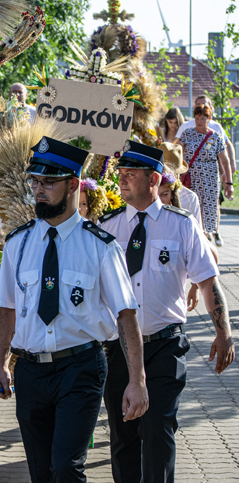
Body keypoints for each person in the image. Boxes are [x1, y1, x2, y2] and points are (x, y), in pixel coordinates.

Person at [0, 136, 149, 483]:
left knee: (65, 467)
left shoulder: (100, 246)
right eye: (35, 181)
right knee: (41, 472)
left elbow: (126, 314)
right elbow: (6, 307)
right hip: (31, 371)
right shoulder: (18, 243)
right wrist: (1, 363)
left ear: (73, 185)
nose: (39, 189)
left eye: (49, 182)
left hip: (81, 367)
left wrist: (137, 381)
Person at [98, 140, 234, 483]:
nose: (123, 180)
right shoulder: (107, 227)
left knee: (158, 431)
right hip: (118, 348)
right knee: (123, 436)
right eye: (121, 174)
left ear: (154, 178)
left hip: (164, 345)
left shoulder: (182, 225)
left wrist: (224, 332)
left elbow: (207, 281)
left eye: (131, 174)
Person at [178, 104, 234, 243]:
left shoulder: (216, 137)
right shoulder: (187, 134)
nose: (199, 121)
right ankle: (190, 238)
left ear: (209, 118)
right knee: (189, 206)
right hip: (190, 179)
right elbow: (178, 155)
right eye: (197, 118)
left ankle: (207, 239)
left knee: (208, 210)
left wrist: (229, 183)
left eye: (203, 118)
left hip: (209, 181)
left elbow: (225, 162)